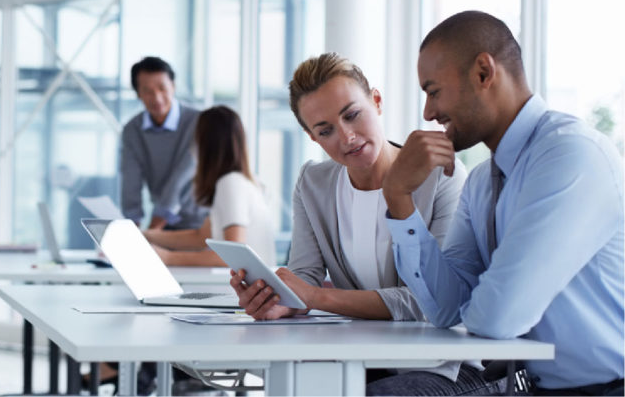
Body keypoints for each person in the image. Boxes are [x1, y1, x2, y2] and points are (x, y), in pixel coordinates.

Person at [381, 11, 624, 395]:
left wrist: (476, 304)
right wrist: (398, 197)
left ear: (483, 72)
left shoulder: (570, 156)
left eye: (433, 90)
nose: (427, 112)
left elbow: (496, 317)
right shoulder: (481, 182)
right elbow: (446, 308)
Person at [230, 53, 501, 395]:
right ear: (312, 138)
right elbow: (304, 276)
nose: (346, 138)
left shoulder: (442, 177)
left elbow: (430, 301)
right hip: (365, 359)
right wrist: (278, 298)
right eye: (325, 130)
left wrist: (315, 298)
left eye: (352, 115)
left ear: (376, 101)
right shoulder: (314, 183)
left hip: (446, 364)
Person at [144, 105, 275, 266]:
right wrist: (145, 235)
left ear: (206, 145)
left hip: (241, 288)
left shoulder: (231, 184)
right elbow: (200, 236)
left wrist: (167, 258)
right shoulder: (243, 182)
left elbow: (233, 256)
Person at [120, 56, 207, 231]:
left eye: (162, 88)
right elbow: (131, 180)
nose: (157, 98)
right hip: (164, 225)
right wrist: (132, 225)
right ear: (138, 94)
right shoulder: (132, 130)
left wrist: (156, 222)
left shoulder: (199, 122)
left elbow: (183, 174)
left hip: (201, 222)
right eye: (148, 91)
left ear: (173, 87)